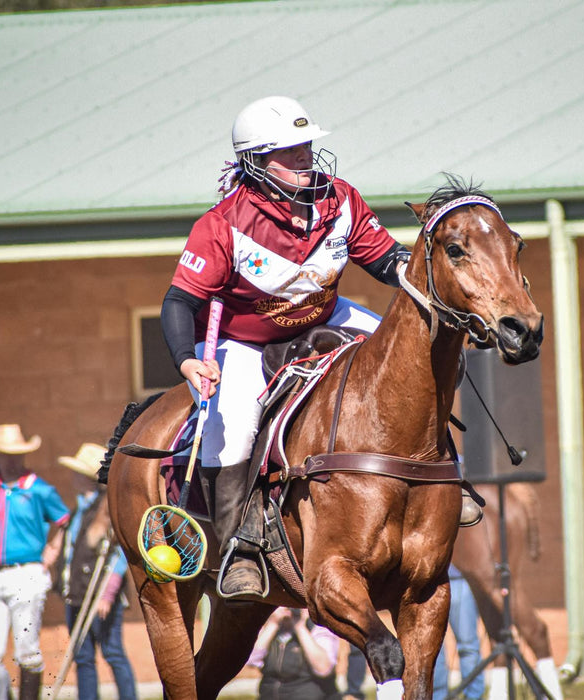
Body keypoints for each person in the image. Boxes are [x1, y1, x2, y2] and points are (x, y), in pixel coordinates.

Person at [161, 95, 481, 597]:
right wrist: (186, 360)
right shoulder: (221, 226)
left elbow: (383, 258)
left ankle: (447, 478)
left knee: (422, 355)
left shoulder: (340, 199)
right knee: (237, 429)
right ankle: (240, 549)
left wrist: (423, 280)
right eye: (290, 152)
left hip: (329, 314)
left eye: (307, 146)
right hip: (246, 341)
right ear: (256, 162)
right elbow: (179, 301)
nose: (306, 156)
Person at [0, 424, 70, 700]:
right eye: (5, 455)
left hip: (27, 572)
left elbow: (65, 521)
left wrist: (53, 548)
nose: (11, 460)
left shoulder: (39, 489)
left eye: (16, 454)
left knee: (27, 648)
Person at [55, 443, 137, 700]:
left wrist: (107, 594)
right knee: (83, 655)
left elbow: (119, 556)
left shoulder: (107, 508)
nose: (73, 477)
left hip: (100, 595)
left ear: (89, 478)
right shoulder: (78, 509)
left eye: (78, 472)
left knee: (113, 652)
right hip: (77, 593)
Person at [247, 607, 340, 700]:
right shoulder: (270, 629)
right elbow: (251, 660)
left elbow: (323, 669)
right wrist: (273, 624)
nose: (288, 608)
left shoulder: (318, 627)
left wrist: (300, 627)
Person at [432, 566, 484, 700]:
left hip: (459, 580)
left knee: (468, 646)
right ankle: (438, 696)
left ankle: (474, 696)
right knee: (433, 650)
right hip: (430, 584)